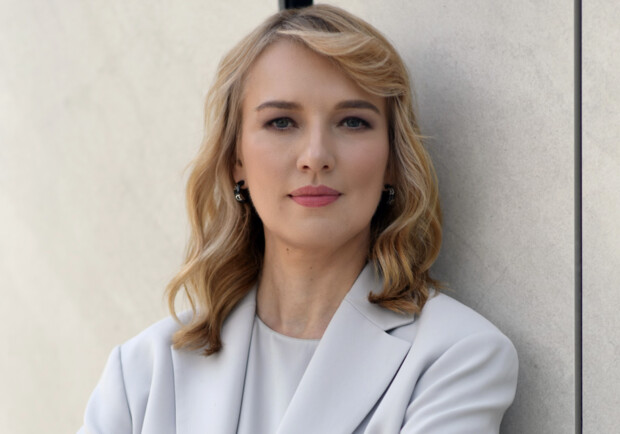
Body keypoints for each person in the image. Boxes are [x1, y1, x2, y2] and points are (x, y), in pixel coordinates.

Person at [79, 4, 518, 433]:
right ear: (236, 159)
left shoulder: (456, 357)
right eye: (282, 122)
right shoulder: (142, 372)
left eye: (352, 122)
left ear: (392, 161)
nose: (315, 156)